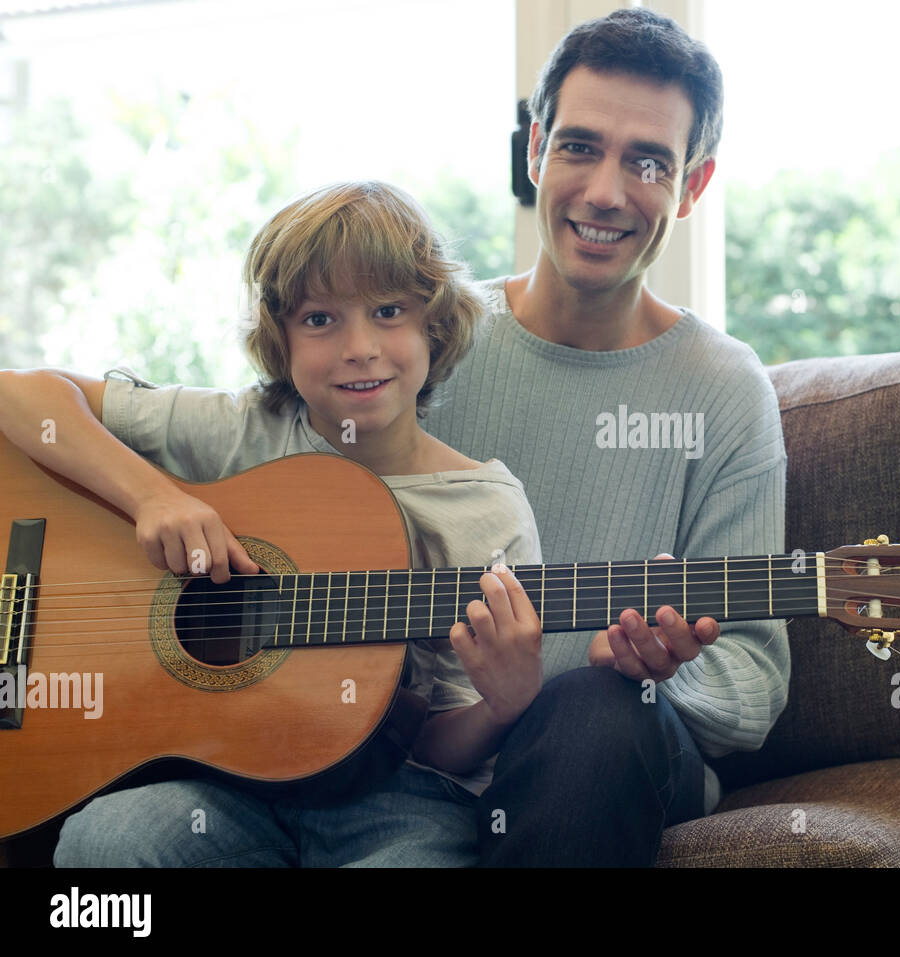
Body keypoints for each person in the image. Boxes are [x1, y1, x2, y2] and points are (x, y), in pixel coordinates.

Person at [0, 180, 546, 866]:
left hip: (403, 801)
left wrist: (502, 705)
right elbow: (19, 395)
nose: (359, 347)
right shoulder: (245, 431)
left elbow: (437, 741)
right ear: (280, 337)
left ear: (433, 325)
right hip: (227, 790)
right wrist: (150, 496)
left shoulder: (484, 507)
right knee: (105, 841)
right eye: (320, 318)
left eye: (387, 311)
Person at [421, 8, 791, 866]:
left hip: (616, 748)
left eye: (649, 161)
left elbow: (757, 682)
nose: (605, 192)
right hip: (431, 755)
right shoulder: (424, 347)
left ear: (693, 187)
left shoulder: (726, 390)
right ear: (535, 151)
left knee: (591, 706)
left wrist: (665, 669)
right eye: (580, 147)